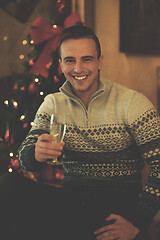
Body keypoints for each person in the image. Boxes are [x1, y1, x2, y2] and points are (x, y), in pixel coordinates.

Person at [1, 25, 160, 240]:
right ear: (60, 65)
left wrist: (137, 222)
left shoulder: (132, 103)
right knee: (8, 185)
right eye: (69, 60)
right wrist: (35, 154)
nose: (78, 68)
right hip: (72, 201)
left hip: (115, 208)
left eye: (86, 59)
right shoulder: (52, 103)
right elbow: (25, 157)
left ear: (99, 62)